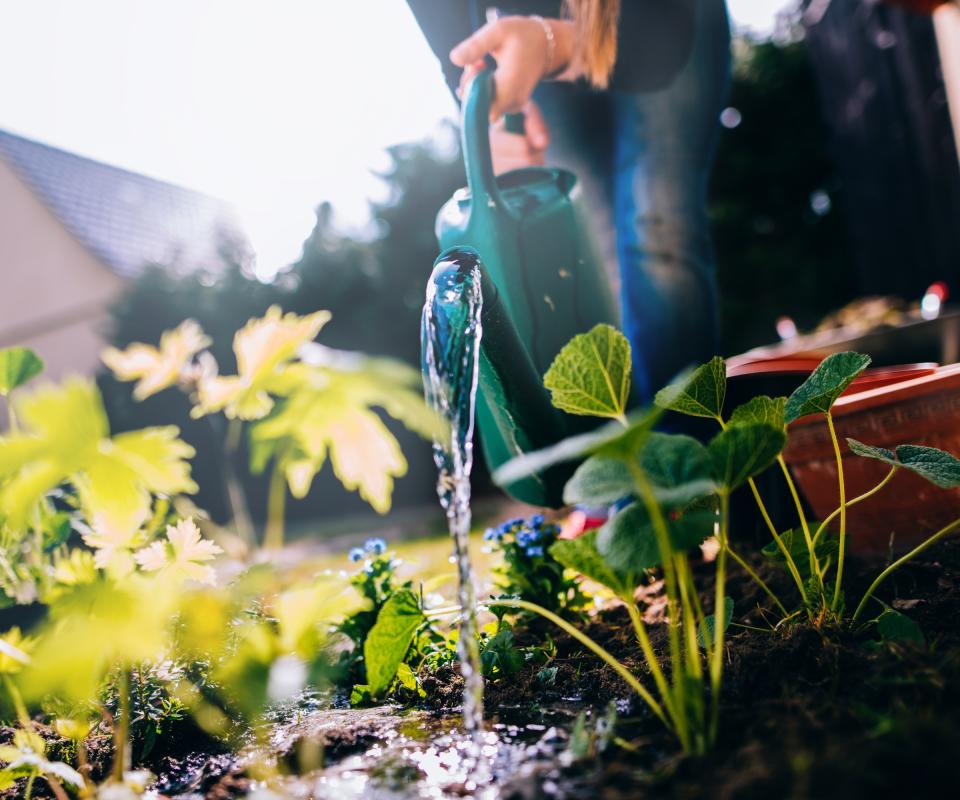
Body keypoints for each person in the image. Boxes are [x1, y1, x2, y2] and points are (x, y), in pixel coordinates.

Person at [407, 0, 731, 403]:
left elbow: (659, 44)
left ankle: (692, 444)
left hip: (657, 21)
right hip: (529, 48)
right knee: (592, 253)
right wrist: (488, 119)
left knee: (659, 226)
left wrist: (553, 43)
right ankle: (633, 446)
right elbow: (453, 44)